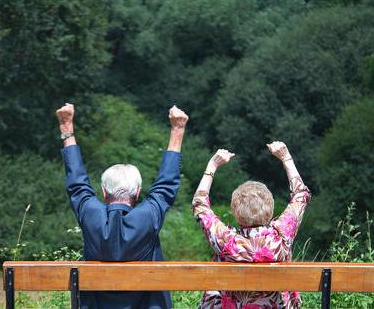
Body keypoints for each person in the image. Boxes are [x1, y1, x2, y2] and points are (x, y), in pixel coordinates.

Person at [56, 103, 188, 309]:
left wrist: (66, 127)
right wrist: (177, 130)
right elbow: (165, 186)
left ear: (104, 192)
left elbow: (77, 185)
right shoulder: (147, 217)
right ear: (137, 192)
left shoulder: (91, 215)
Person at [191, 142, 311, 309]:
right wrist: (286, 158)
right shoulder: (281, 236)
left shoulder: (227, 241)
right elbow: (301, 195)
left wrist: (212, 166)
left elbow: (200, 204)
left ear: (235, 212)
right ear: (271, 210)